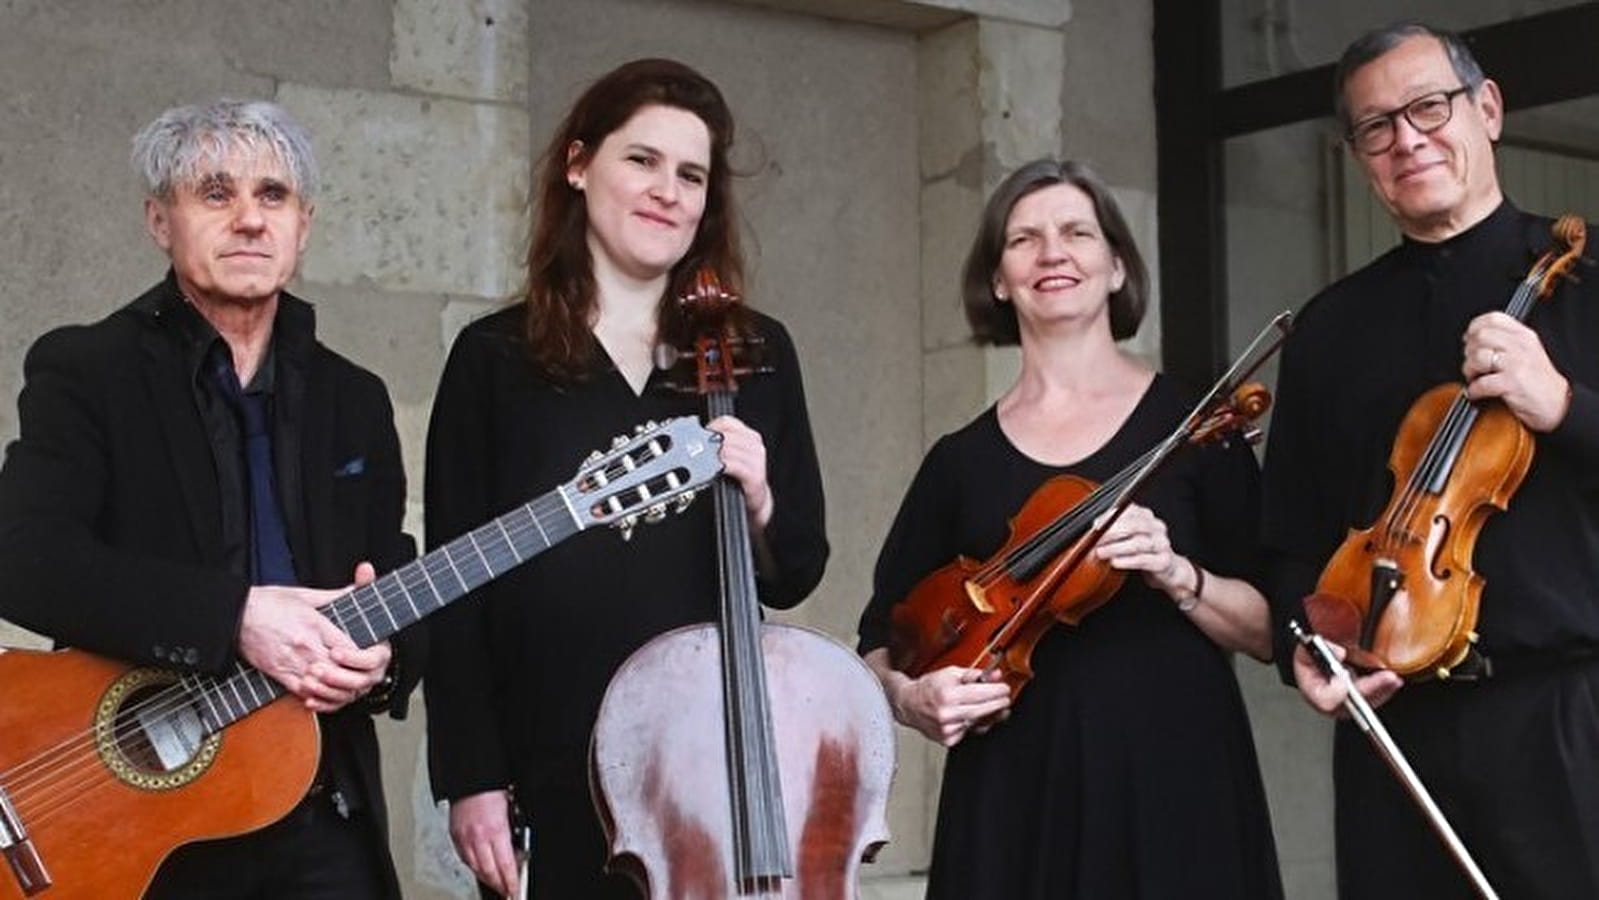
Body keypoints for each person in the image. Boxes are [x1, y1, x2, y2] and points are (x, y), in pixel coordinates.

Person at [422, 58, 828, 899]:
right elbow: (454, 590)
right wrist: (470, 775)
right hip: (550, 759)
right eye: (640, 160)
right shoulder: (495, 358)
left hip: (713, 767)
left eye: (691, 175)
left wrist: (757, 502)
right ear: (579, 165)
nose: (667, 192)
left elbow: (796, 570)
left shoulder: (755, 354)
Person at [0, 99, 423, 898]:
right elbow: (25, 558)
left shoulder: (354, 397)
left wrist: (386, 660)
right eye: (216, 193)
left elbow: (392, 569)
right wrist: (233, 617)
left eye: (273, 196)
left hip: (316, 805)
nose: (250, 221)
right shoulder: (88, 371)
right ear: (161, 220)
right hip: (149, 817)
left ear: (305, 224)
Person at [856, 158, 1282, 899]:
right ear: (997, 279)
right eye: (1024, 239)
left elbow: (1273, 627)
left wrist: (1179, 575)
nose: (1052, 252)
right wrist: (909, 702)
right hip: (1014, 791)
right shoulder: (958, 462)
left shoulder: (1193, 429)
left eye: (1076, 232)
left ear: (1116, 267)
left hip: (1175, 782)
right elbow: (879, 645)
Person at [1260, 21, 1599, 900]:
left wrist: (1560, 405)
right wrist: (1308, 640)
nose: (1405, 139)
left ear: (1485, 109)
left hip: (1568, 716)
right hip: (1396, 728)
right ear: (1359, 155)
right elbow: (1291, 539)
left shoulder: (1589, 275)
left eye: (1426, 107)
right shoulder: (1331, 327)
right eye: (1376, 127)